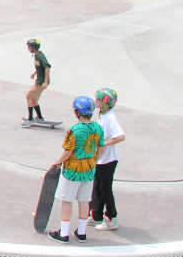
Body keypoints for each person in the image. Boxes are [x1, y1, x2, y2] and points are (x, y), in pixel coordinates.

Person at [47, 95, 105, 244]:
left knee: (67, 201)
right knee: (84, 201)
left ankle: (64, 234)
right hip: (89, 171)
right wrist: (94, 161)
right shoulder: (98, 127)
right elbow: (101, 148)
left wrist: (58, 163)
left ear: (77, 112)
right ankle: (81, 232)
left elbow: (68, 152)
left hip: (72, 172)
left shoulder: (74, 130)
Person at [90, 88, 125, 231]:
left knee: (105, 190)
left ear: (106, 103)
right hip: (101, 159)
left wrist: (102, 144)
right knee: (97, 188)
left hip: (108, 161)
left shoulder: (110, 117)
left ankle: (112, 219)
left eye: (98, 99)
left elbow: (120, 137)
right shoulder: (103, 114)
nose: (95, 101)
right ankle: (96, 215)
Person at [24, 39, 50, 123]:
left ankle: (30, 119)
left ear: (33, 48)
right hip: (39, 80)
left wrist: (45, 82)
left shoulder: (40, 56)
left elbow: (47, 67)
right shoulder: (36, 55)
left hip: (41, 82)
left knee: (29, 96)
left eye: (28, 47)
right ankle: (39, 117)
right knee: (33, 99)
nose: (27, 48)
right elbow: (40, 67)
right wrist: (35, 73)